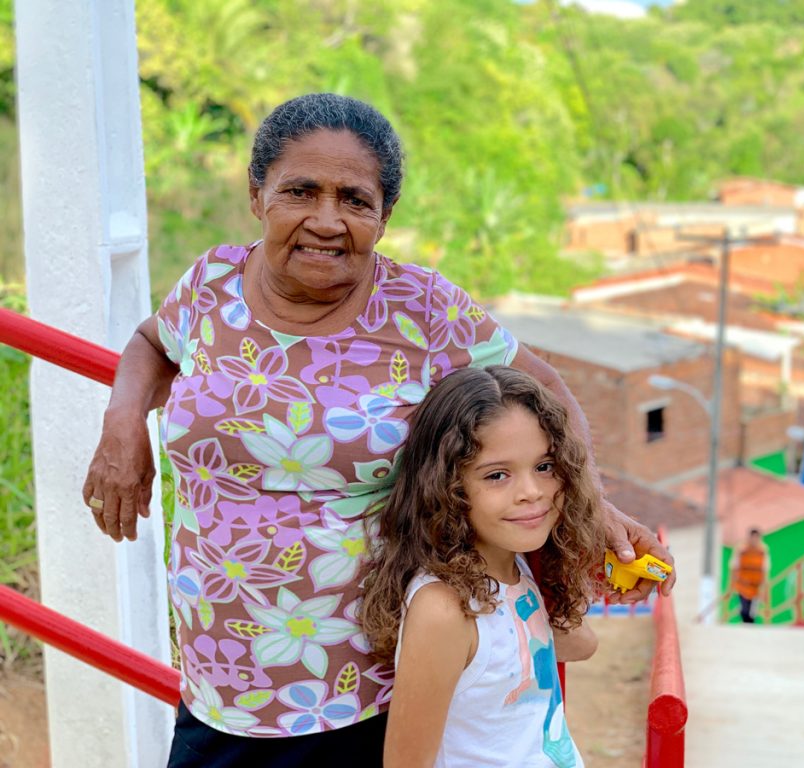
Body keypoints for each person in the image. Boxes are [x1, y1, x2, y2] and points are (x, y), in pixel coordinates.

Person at [79, 93, 671, 765]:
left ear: (384, 216)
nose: (326, 221)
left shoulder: (422, 309)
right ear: (257, 194)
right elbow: (151, 343)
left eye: (355, 200)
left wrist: (595, 508)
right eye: (300, 191)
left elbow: (547, 395)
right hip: (218, 689)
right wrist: (124, 421)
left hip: (362, 695)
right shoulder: (211, 283)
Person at [362, 366, 601, 767]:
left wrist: (565, 567)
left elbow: (582, 644)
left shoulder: (515, 569)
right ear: (446, 487)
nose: (532, 493)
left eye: (544, 466)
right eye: (497, 475)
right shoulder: (444, 608)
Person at [729, 528, 770, 624]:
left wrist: (765, 590)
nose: (755, 540)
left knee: (752, 613)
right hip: (742, 586)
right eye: (753, 537)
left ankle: (749, 629)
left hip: (756, 588)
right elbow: (734, 567)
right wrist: (732, 585)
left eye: (757, 538)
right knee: (744, 611)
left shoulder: (763, 552)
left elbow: (765, 570)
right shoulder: (741, 550)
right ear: (749, 537)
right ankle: (746, 625)